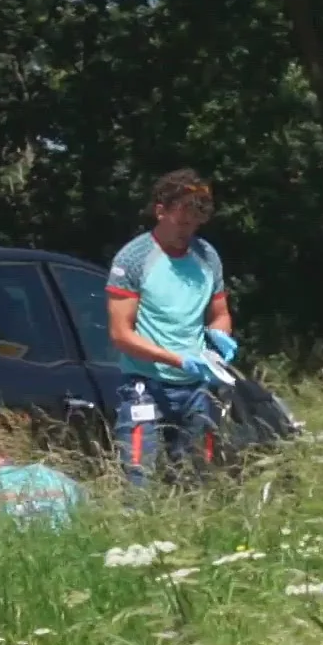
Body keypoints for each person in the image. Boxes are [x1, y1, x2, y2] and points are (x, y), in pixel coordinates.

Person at [105, 168, 237, 486]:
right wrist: (177, 359)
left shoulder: (206, 256)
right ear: (161, 212)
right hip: (146, 384)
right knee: (139, 475)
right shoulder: (134, 259)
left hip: (196, 386)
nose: (187, 231)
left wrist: (220, 335)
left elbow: (220, 313)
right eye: (181, 223)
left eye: (194, 225)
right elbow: (121, 334)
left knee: (197, 475)